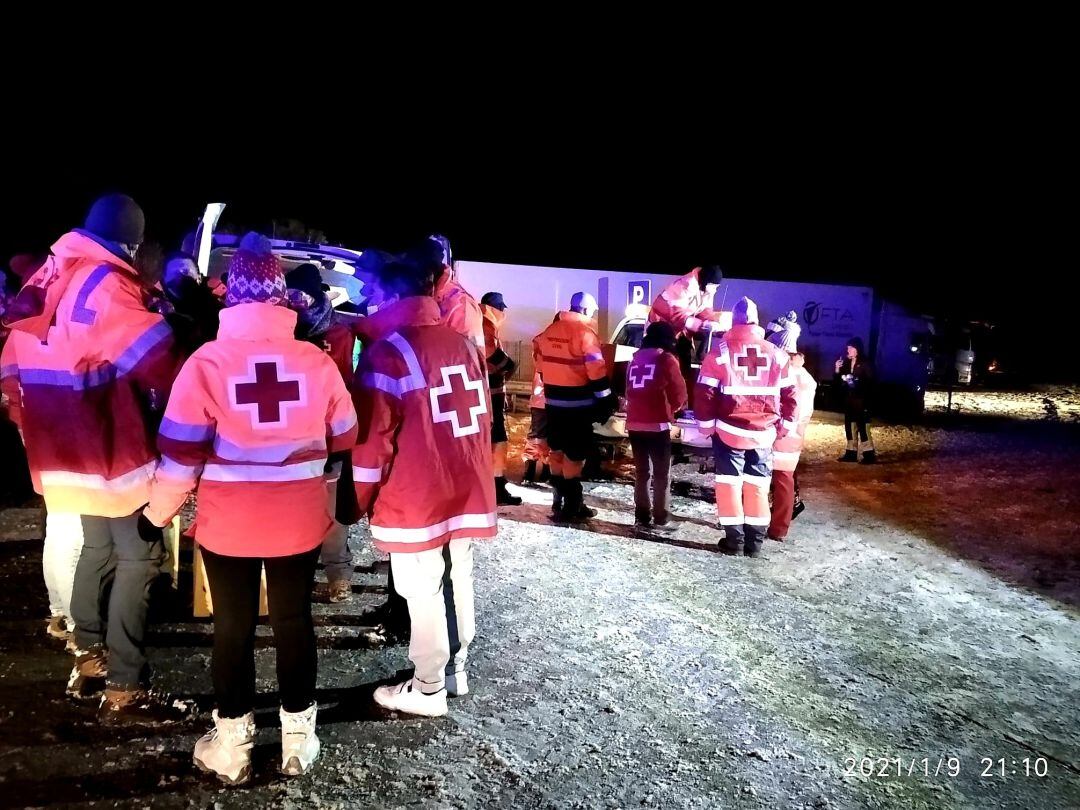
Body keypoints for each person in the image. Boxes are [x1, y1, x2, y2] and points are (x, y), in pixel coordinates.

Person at [145, 233, 358, 782]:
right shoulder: (314, 360)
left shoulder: (206, 362)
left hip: (229, 523)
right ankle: (296, 741)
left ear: (232, 298)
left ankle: (233, 746)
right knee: (293, 622)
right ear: (282, 299)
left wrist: (157, 515)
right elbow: (345, 432)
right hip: (297, 519)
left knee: (233, 628)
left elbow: (181, 453)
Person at [0, 194, 187, 723]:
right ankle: (125, 682)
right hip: (107, 448)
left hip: (54, 448)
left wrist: (29, 424)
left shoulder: (46, 277)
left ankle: (88, 656)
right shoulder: (108, 285)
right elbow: (158, 362)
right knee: (140, 558)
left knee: (96, 551)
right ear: (130, 241)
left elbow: (10, 365)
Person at [351, 257, 496, 718]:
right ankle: (455, 669)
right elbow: (485, 415)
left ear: (392, 296)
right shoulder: (466, 343)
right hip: (466, 482)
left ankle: (428, 687)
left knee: (422, 587)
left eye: (375, 292)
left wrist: (357, 499)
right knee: (458, 577)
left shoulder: (388, 352)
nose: (370, 300)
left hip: (416, 490)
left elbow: (373, 442)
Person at [695, 296, 796, 557]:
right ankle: (755, 544)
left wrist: (706, 427)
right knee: (758, 486)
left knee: (729, 485)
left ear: (735, 321)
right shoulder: (778, 355)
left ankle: (735, 541)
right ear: (756, 321)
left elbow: (705, 394)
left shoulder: (719, 353)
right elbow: (790, 396)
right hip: (764, 434)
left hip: (729, 433)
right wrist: (784, 425)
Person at [286, 263, 358, 603]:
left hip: (329, 436)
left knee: (331, 511)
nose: (298, 302)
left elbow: (352, 380)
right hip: (301, 434)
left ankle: (338, 575)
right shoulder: (286, 333)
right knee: (298, 509)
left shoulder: (340, 334)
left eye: (303, 295)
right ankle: (298, 574)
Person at [535, 292, 616, 521]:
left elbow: (541, 367)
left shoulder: (549, 332)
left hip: (553, 404)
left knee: (557, 451)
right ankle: (573, 505)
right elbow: (597, 373)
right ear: (587, 311)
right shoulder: (585, 334)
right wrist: (606, 400)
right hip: (577, 405)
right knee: (575, 455)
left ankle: (558, 501)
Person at [625, 321, 687, 527]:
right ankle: (661, 516)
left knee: (642, 472)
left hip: (634, 424)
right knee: (662, 474)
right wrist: (675, 410)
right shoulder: (666, 359)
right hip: (657, 425)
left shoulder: (634, 360)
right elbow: (679, 392)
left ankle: (641, 515)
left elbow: (628, 390)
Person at [767, 350, 816, 541]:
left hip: (776, 433)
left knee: (761, 480)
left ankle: (757, 523)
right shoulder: (807, 378)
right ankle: (779, 529)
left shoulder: (782, 373)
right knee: (785, 481)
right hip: (795, 436)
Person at [649, 265, 725, 390]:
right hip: (661, 334)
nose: (715, 290)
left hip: (680, 334)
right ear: (706, 281)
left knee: (684, 369)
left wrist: (711, 322)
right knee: (666, 372)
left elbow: (705, 310)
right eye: (714, 286)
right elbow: (672, 311)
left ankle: (681, 401)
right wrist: (700, 324)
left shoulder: (705, 290)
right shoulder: (683, 286)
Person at [480, 291, 521, 505]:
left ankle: (488, 484)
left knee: (488, 439)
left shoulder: (477, 320)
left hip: (485, 392)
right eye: (501, 308)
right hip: (490, 393)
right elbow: (490, 353)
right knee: (498, 440)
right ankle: (496, 487)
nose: (503, 312)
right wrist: (509, 365)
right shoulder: (485, 323)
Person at [836, 336, 876, 464]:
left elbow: (871, 382)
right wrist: (837, 369)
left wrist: (856, 382)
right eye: (848, 348)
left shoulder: (865, 363)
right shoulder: (847, 363)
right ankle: (851, 453)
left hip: (862, 399)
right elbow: (838, 380)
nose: (848, 350)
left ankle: (869, 454)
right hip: (850, 399)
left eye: (851, 348)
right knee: (850, 425)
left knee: (863, 426)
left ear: (857, 349)